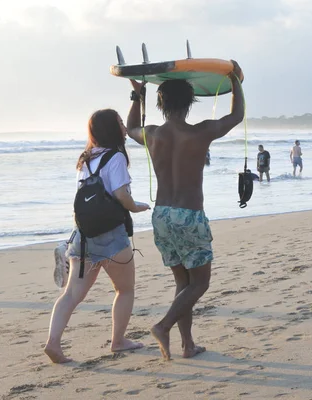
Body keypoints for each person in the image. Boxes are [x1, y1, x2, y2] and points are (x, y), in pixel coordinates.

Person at [126, 62, 245, 360]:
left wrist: (137, 97)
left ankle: (188, 345)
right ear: (191, 102)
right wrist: (235, 81)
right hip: (189, 215)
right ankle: (164, 326)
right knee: (200, 283)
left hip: (162, 216)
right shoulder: (201, 132)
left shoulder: (152, 134)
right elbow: (237, 115)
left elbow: (129, 129)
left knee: (183, 284)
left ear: (160, 103)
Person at [44, 109, 150, 364]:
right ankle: (119, 341)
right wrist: (137, 207)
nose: (125, 126)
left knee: (70, 295)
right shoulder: (115, 158)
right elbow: (121, 195)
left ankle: (53, 343)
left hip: (83, 235)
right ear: (112, 129)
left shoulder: (85, 158)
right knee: (124, 290)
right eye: (121, 123)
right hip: (111, 235)